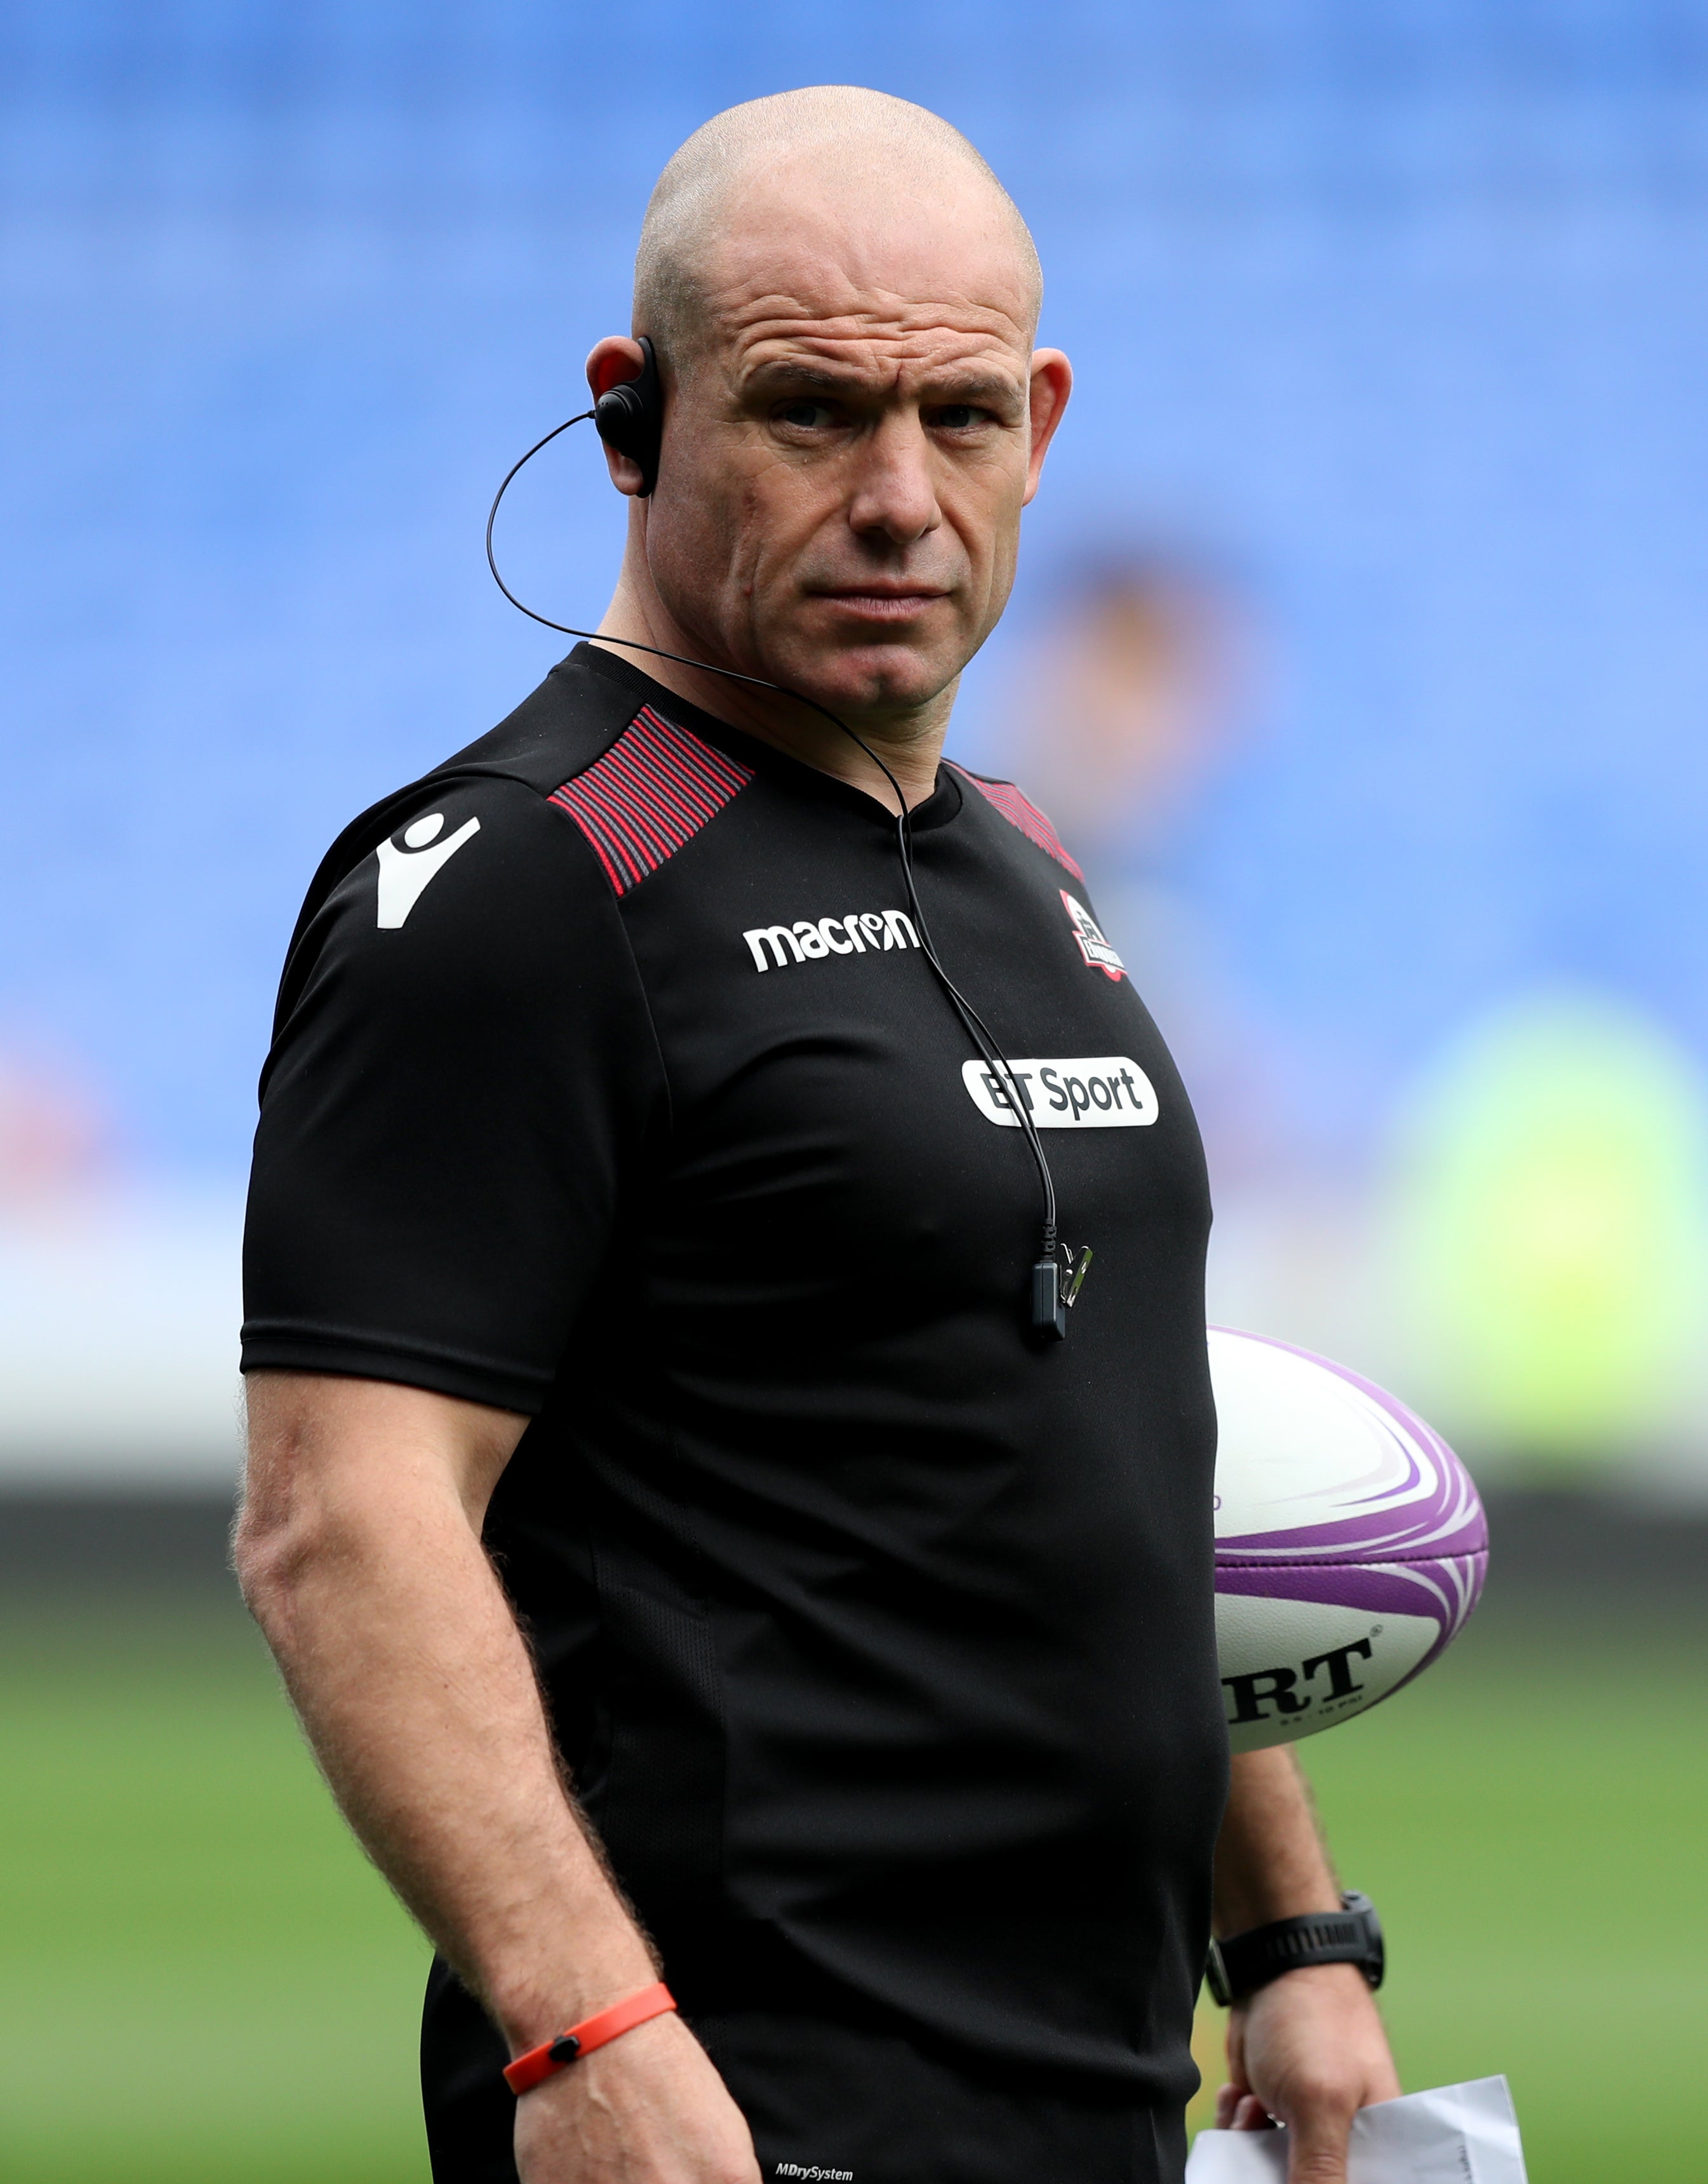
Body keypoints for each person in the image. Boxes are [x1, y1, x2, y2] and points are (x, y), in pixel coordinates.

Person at [236, 86, 1398, 2184]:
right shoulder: (513, 880)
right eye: (805, 413)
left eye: (956, 417)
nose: (896, 495)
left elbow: (1121, 1435)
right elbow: (343, 1521)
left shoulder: (1035, 861)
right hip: (741, 2109)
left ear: (1039, 423)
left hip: (1100, 2098)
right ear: (633, 415)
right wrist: (578, 2024)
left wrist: (1287, 1926)